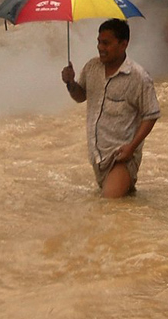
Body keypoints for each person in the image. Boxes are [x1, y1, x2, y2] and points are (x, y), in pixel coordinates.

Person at [61, 18, 161, 198]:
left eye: (106, 43)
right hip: (97, 157)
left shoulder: (138, 77)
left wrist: (131, 148)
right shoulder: (92, 68)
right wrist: (70, 83)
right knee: (115, 210)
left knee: (110, 207)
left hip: (121, 158)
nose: (100, 47)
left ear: (123, 44)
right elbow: (80, 96)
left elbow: (151, 114)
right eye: (99, 42)